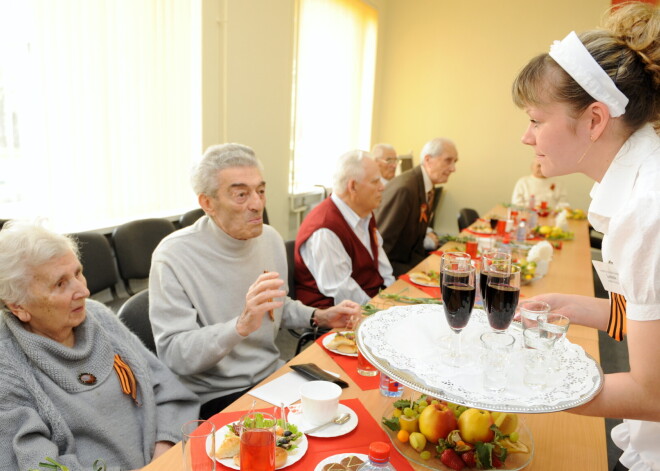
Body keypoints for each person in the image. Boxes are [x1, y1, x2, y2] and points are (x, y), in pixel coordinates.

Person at [511, 3, 660, 470]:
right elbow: (645, 322)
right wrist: (572, 307)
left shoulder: (646, 209)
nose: (526, 137)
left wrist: (517, 387)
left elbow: (652, 393)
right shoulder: (638, 185)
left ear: (595, 120)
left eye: (536, 120)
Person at [149, 143, 362, 419]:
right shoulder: (173, 256)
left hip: (274, 375)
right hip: (217, 393)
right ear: (207, 203)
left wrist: (319, 316)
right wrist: (238, 327)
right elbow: (174, 354)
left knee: (349, 408)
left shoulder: (269, 239)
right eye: (241, 194)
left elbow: (276, 306)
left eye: (260, 191)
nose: (257, 203)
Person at [0, 221, 199, 471]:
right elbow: (37, 464)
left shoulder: (97, 316)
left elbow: (168, 393)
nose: (83, 290)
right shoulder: (7, 364)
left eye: (78, 273)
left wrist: (164, 454)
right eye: (60, 284)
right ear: (19, 306)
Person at [295, 150, 395, 307]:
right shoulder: (325, 230)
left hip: (372, 303)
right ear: (353, 186)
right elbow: (343, 292)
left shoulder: (364, 213)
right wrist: (385, 311)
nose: (382, 187)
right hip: (339, 317)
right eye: (375, 182)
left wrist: (394, 296)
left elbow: (384, 269)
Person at [375, 137, 458, 276]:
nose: (453, 168)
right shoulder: (405, 189)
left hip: (412, 262)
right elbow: (382, 247)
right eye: (448, 160)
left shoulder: (426, 186)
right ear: (428, 160)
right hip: (394, 270)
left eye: (455, 162)